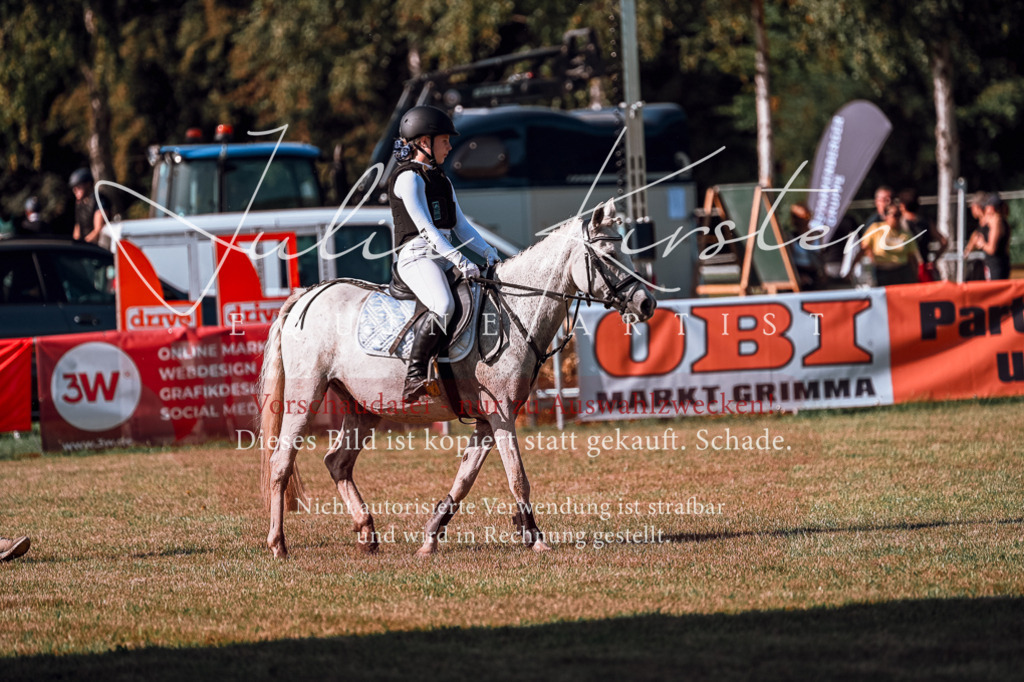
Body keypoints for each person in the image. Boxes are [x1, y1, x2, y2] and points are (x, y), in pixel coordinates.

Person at [387, 106, 499, 402]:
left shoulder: (441, 180)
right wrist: (462, 261)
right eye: (445, 141)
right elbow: (427, 230)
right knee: (443, 304)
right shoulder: (408, 178)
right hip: (417, 257)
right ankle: (414, 375)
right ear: (424, 142)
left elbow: (461, 227)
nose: (450, 147)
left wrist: (490, 254)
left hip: (443, 255)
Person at [859, 201, 921, 286]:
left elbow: (912, 257)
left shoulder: (906, 233)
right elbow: (864, 247)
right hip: (882, 272)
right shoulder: (876, 228)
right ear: (886, 216)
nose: (897, 218)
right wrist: (871, 259)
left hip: (903, 272)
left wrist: (916, 276)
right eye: (895, 215)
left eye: (899, 215)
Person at [898, 188, 946, 281]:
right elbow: (944, 241)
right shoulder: (926, 222)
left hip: (906, 269)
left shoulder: (900, 225)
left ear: (902, 206)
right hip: (924, 266)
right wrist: (934, 260)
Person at [964, 193, 1011, 280]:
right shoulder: (994, 221)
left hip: (997, 266)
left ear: (991, 208)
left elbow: (991, 249)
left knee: (997, 292)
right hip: (993, 265)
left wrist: (982, 244)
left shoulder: (997, 221)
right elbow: (976, 233)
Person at [787, 203, 824, 290]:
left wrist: (823, 274)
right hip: (800, 277)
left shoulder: (818, 235)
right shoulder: (790, 237)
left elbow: (821, 256)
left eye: (807, 216)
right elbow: (789, 261)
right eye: (799, 217)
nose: (804, 220)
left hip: (816, 276)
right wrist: (798, 276)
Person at [69, 167, 109, 243]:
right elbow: (77, 227)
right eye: (74, 188)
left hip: (99, 247)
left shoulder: (99, 200)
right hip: (86, 246)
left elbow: (99, 229)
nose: (75, 190)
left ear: (88, 184)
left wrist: (83, 245)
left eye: (78, 186)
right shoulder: (80, 203)